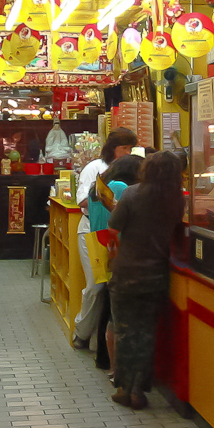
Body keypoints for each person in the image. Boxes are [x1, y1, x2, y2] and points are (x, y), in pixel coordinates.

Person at [107, 151, 185, 409]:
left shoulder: (131, 194)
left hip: (128, 271)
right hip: (157, 273)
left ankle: (124, 388)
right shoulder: (176, 200)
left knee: (125, 331)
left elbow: (113, 228)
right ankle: (139, 390)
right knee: (147, 332)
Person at [73, 127, 138, 350]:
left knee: (111, 288)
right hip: (92, 230)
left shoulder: (130, 169)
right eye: (124, 148)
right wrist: (109, 201)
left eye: (131, 148)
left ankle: (97, 340)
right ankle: (81, 331)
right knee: (96, 285)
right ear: (113, 148)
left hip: (118, 235)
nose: (128, 152)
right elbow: (81, 201)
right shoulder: (95, 168)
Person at [86, 154, 144, 371]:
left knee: (106, 300)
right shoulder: (120, 187)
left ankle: (102, 356)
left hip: (100, 246)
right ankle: (106, 358)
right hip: (116, 248)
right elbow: (122, 218)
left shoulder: (99, 187)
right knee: (112, 308)